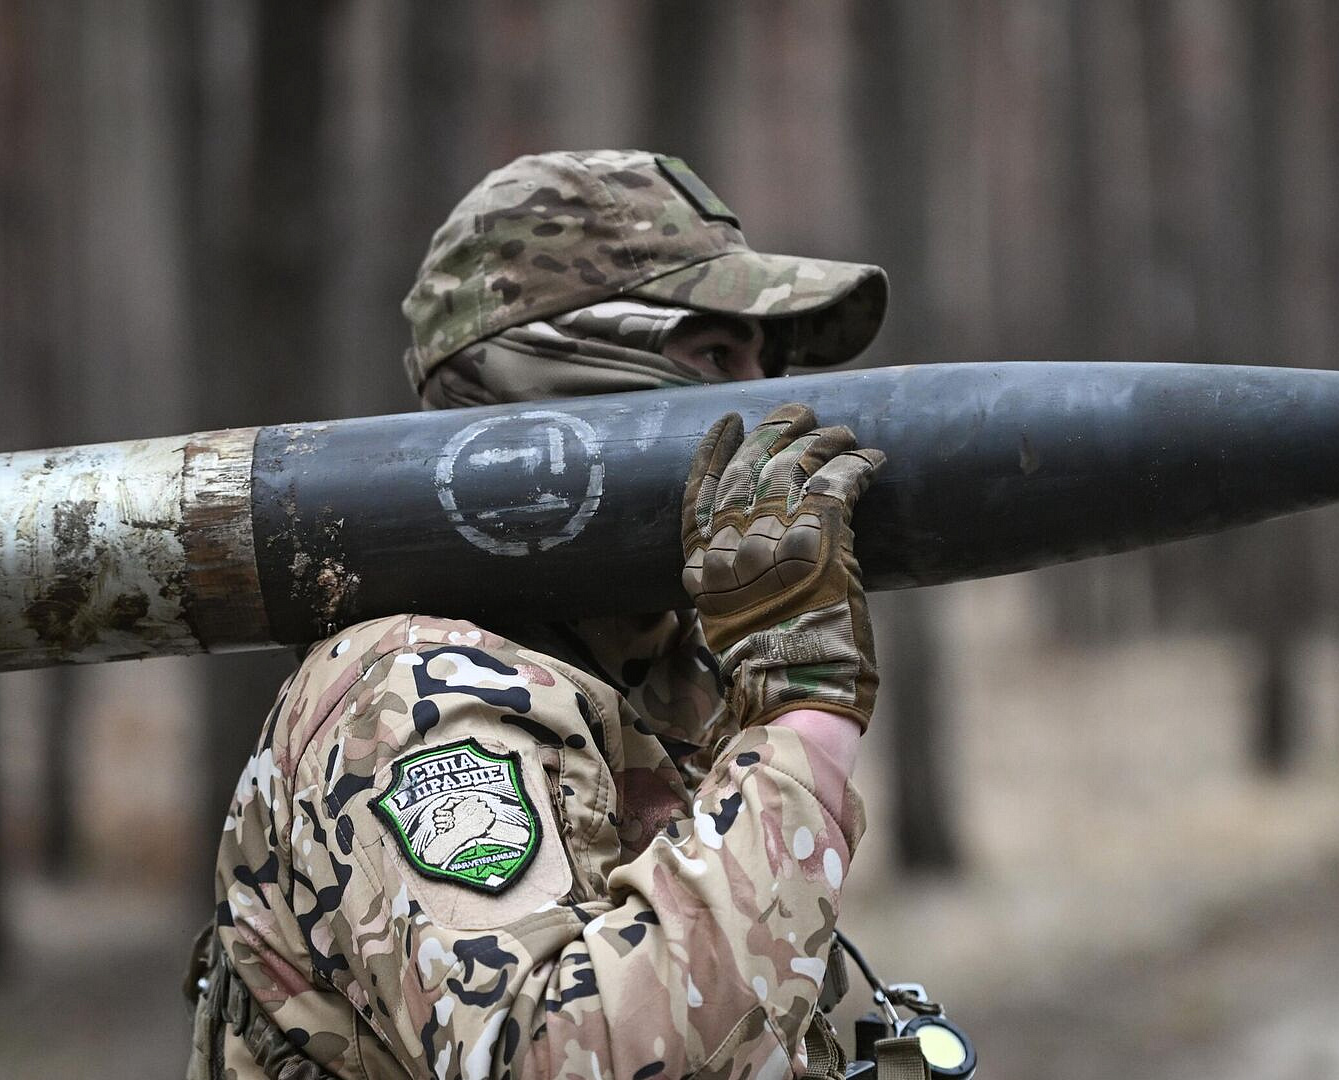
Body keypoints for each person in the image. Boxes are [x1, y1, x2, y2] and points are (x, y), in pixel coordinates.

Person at [186, 149, 897, 1080]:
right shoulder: (413, 693)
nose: (771, 401)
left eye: (769, 361)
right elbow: (548, 1057)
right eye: (718, 355)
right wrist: (807, 712)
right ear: (554, 378)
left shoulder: (650, 664)